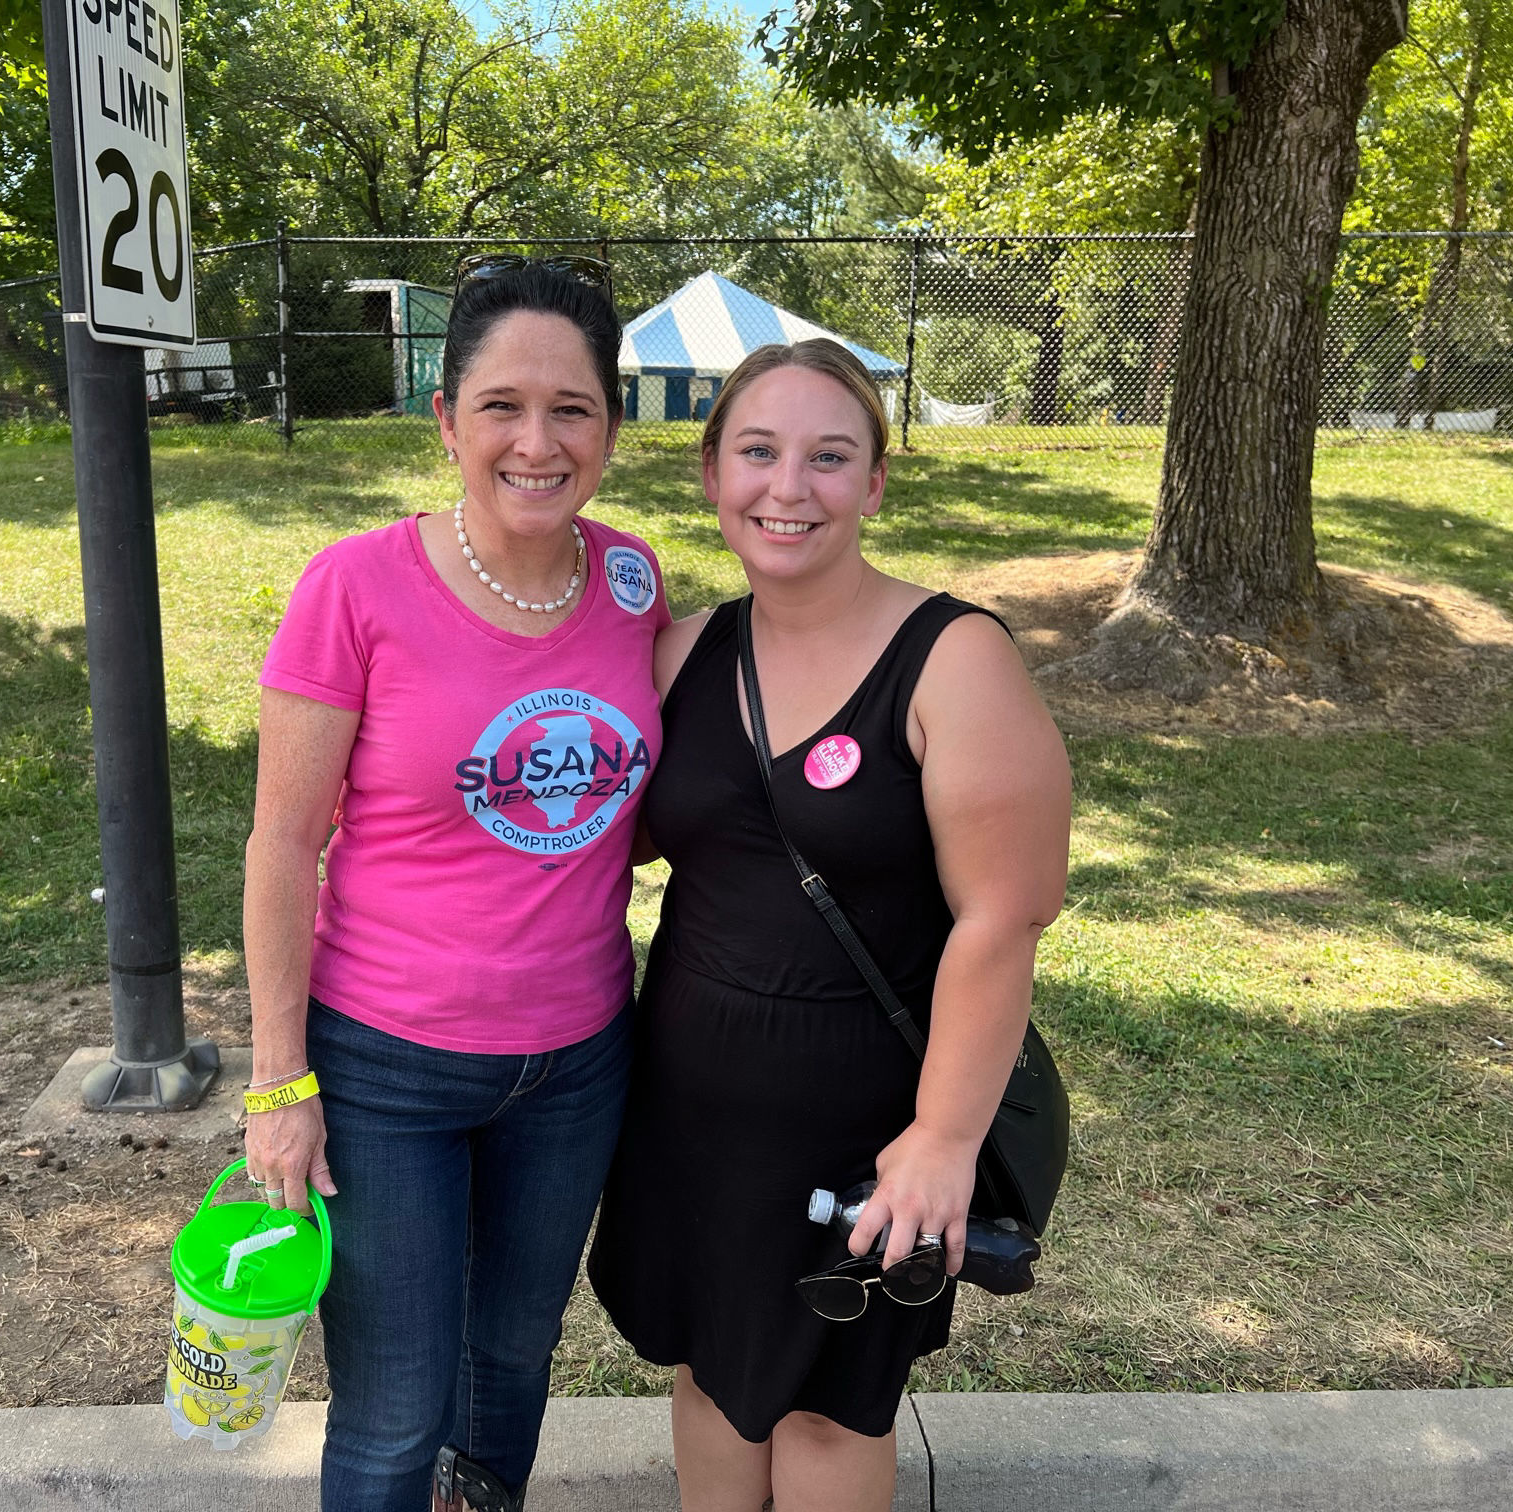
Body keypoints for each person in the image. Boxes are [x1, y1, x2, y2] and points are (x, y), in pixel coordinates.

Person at [588, 340, 1071, 1512]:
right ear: (712, 474)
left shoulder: (952, 659)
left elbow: (1004, 917)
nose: (788, 487)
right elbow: (601, 831)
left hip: (866, 1126)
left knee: (830, 1407)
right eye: (758, 452)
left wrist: (944, 1138)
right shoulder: (683, 654)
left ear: (876, 483)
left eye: (829, 457)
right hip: (689, 1111)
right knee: (710, 1372)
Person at [241, 258, 670, 1512]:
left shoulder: (633, 581)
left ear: (610, 427)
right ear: (445, 420)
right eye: (501, 407)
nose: (538, 442)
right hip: (388, 1069)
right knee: (393, 1411)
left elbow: (630, 804)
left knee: (510, 1370)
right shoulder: (355, 586)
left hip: (578, 1062)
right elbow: (282, 844)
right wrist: (280, 1080)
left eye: (572, 409)